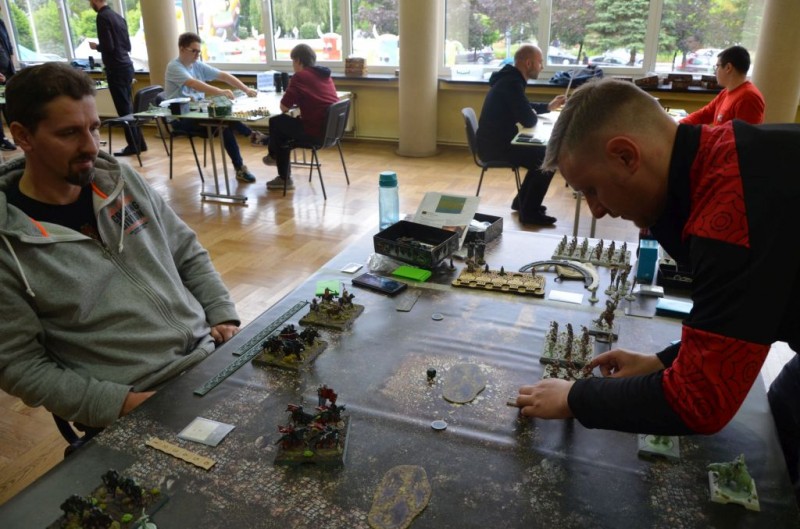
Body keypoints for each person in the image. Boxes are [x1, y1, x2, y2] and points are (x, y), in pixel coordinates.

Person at [514, 78, 800, 491]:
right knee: (782, 428)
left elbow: (700, 401)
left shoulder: (730, 213)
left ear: (626, 155)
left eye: (591, 189)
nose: (597, 209)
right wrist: (665, 361)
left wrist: (575, 397)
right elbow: (745, 313)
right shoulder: (720, 157)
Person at [0, 62, 241, 428]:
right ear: (23, 136)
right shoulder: (8, 244)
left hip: (210, 353)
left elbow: (185, 250)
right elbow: (18, 365)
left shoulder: (120, 180)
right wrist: (120, 404)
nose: (90, 146)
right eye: (69, 133)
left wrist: (221, 311)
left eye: (94, 127)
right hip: (139, 395)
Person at [476, 44, 565, 226]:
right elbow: (528, 120)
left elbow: (523, 106)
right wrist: (532, 112)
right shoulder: (512, 83)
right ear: (529, 63)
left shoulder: (509, 79)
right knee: (548, 158)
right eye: (540, 62)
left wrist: (547, 107)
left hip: (495, 142)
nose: (542, 67)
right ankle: (529, 212)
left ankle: (523, 203)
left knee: (543, 155)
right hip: (495, 148)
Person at [164, 32, 257, 183]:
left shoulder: (197, 65)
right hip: (180, 118)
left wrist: (246, 89)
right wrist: (220, 91)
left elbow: (223, 76)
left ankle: (247, 148)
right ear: (182, 49)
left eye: (199, 51)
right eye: (193, 51)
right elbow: (193, 83)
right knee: (222, 123)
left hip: (198, 113)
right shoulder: (174, 67)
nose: (197, 55)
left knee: (223, 122)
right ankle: (250, 138)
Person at [252, 43, 338, 191]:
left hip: (315, 132)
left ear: (298, 60)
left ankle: (276, 159)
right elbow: (315, 97)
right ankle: (273, 154)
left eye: (293, 61)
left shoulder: (300, 76)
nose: (292, 65)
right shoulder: (324, 75)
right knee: (282, 134)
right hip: (331, 131)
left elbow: (283, 108)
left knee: (277, 123)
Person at [88, 0, 146, 157]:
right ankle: (140, 143)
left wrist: (96, 47)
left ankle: (133, 145)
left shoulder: (102, 17)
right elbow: (127, 45)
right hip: (127, 65)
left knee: (124, 110)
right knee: (129, 107)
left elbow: (108, 46)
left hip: (116, 68)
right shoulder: (118, 17)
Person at [680, 45, 764, 126]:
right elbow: (704, 115)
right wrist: (678, 125)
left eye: (717, 66)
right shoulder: (726, 92)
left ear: (728, 68)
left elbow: (742, 134)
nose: (715, 71)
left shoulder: (748, 98)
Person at [0, 9, 17, 151]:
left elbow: (9, 46)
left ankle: (17, 135)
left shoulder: (1, 23)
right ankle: (2, 139)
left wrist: (11, 65)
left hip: (8, 72)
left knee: (9, 104)